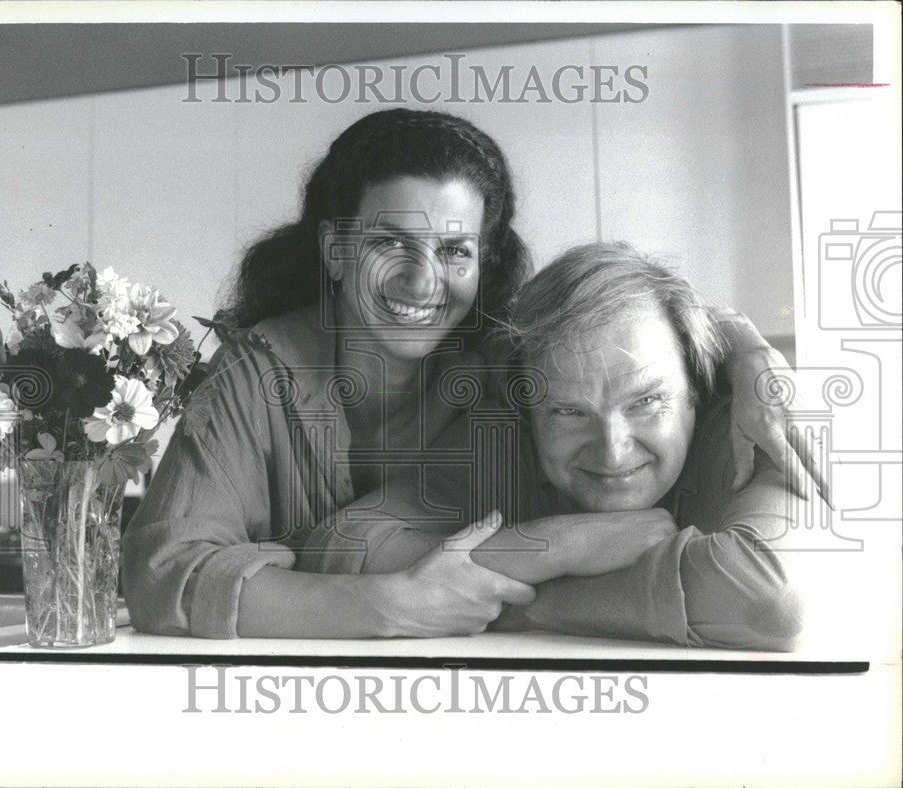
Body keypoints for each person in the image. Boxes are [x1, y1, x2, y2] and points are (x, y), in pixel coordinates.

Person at [123, 108, 822, 640]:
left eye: (455, 250)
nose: (424, 280)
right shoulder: (257, 374)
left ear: (483, 262)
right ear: (334, 252)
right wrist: (390, 604)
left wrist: (749, 352)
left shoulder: (498, 359)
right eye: (390, 243)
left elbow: (636, 326)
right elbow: (161, 575)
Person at [303, 243, 809, 651]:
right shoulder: (505, 435)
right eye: (568, 412)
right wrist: (563, 544)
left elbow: (767, 603)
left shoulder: (749, 426)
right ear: (527, 413)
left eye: (647, 402)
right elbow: (342, 544)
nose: (612, 452)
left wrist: (513, 600)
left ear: (698, 388)